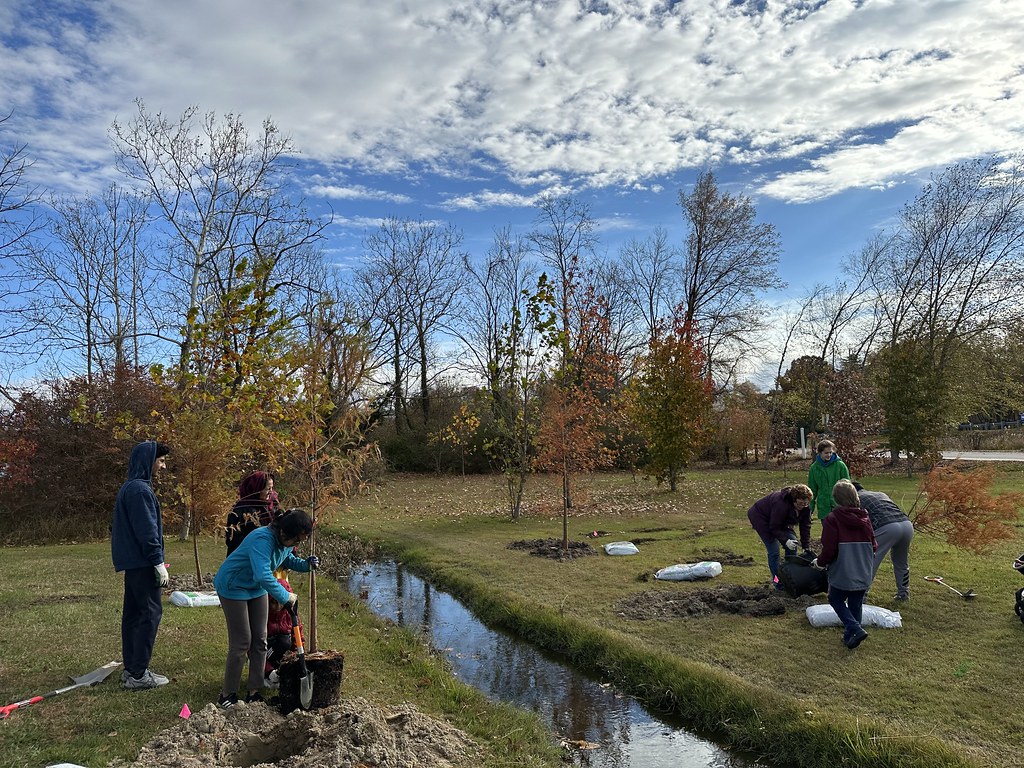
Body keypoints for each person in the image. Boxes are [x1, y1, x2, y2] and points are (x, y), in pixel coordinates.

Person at [213, 508, 318, 707]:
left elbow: (285, 558)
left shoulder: (285, 541)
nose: (297, 544)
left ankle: (254, 692)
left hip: (255, 587)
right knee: (242, 641)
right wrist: (285, 596)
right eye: (296, 540)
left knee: (260, 640)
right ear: (285, 532)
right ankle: (227, 695)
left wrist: (306, 565)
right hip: (233, 586)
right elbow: (263, 575)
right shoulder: (262, 539)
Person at [111, 440, 172, 690]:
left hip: (135, 564)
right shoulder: (139, 491)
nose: (163, 466)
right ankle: (138, 675)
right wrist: (158, 562)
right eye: (160, 460)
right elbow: (147, 531)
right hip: (143, 564)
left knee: (134, 615)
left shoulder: (132, 487)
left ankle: (132, 668)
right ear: (148, 461)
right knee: (149, 614)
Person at [813, 479, 876, 649]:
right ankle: (850, 637)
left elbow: (829, 549)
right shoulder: (865, 518)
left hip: (843, 568)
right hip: (863, 568)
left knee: (835, 598)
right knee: (856, 603)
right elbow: (874, 544)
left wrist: (819, 563)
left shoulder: (832, 519)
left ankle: (855, 628)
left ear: (836, 499)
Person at [853, 481, 914, 601]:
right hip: (906, 525)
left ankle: (861, 595)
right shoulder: (880, 494)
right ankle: (903, 593)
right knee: (901, 562)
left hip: (887, 527)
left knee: (870, 561)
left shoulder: (857, 499)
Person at [747, 484, 814, 590]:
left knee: (793, 544)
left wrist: (806, 546)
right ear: (794, 500)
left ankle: (789, 576)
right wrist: (785, 541)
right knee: (774, 552)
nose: (803, 506)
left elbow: (805, 526)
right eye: (800, 504)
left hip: (779, 521)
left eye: (806, 504)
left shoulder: (805, 507)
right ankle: (777, 582)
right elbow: (773, 527)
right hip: (761, 518)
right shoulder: (781, 504)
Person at [264, 576, 302, 687]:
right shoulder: (262, 615)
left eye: (281, 602)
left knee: (285, 641)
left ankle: (280, 671)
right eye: (273, 603)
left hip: (281, 651)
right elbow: (253, 649)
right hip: (264, 653)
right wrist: (268, 670)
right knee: (282, 642)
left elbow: (298, 636)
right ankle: (267, 673)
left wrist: (296, 657)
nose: (277, 607)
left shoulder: (290, 614)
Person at [225, 471, 273, 556]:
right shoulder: (240, 509)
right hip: (242, 559)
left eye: (272, 488)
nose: (271, 492)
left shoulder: (268, 507)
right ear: (257, 489)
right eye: (268, 489)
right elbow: (232, 539)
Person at [807, 439, 851, 521]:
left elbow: (848, 487)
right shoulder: (814, 468)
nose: (829, 455)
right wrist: (809, 510)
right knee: (828, 532)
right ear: (820, 453)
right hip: (824, 507)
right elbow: (812, 490)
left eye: (831, 452)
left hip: (839, 505)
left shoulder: (840, 465)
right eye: (826, 453)